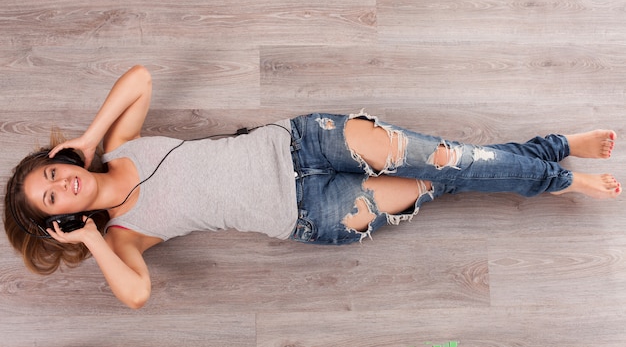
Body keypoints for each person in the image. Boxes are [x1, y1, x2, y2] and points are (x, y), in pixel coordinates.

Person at [4, 65, 621, 309]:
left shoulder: (120, 147)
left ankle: (558, 173)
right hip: (314, 212)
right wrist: (94, 240)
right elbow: (135, 295)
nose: (62, 182)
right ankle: (551, 155)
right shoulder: (127, 237)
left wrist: (87, 139)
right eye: (53, 198)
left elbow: (138, 78)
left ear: (60, 158)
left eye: (52, 171)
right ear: (59, 223)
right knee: (442, 183)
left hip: (304, 142)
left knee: (448, 159)